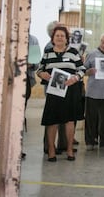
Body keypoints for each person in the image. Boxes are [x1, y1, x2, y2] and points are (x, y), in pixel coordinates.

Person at [37, 26, 85, 162]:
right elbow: (40, 69)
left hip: (70, 91)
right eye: (57, 36)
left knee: (69, 120)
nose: (59, 38)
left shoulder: (73, 52)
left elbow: (82, 69)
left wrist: (75, 78)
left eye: (62, 36)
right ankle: (51, 150)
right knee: (52, 121)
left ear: (66, 39)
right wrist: (42, 74)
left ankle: (69, 149)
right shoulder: (47, 53)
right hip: (53, 92)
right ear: (53, 38)